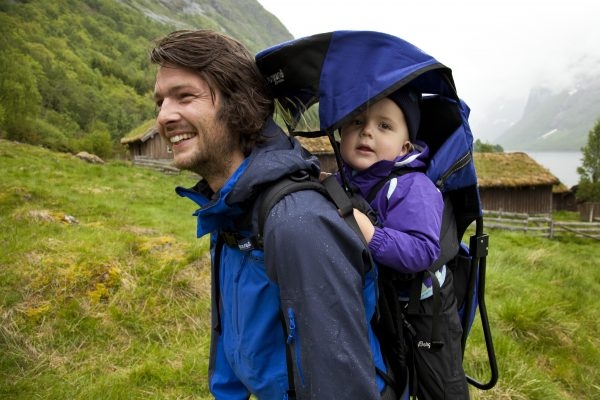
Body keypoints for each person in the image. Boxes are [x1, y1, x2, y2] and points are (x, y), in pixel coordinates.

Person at [150, 29, 393, 400]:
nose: (164, 116)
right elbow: (227, 330)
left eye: (185, 96)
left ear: (237, 104)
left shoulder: (297, 222)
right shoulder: (228, 207)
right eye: (160, 102)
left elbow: (341, 386)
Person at [336, 87, 471, 399]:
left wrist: (372, 235)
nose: (367, 131)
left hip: (424, 309)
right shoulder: (345, 183)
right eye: (356, 122)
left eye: (384, 126)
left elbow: (424, 250)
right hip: (380, 302)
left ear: (404, 147)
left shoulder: (413, 186)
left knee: (439, 384)